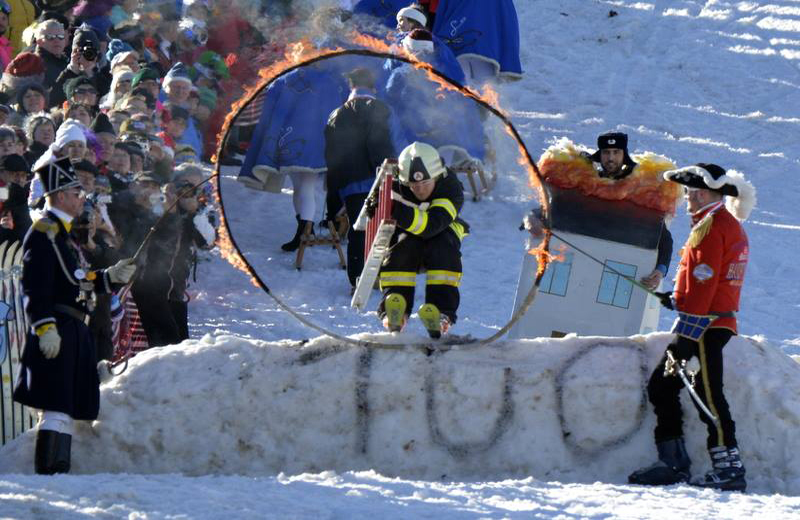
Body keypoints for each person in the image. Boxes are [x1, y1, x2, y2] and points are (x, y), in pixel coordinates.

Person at [628, 162, 756, 492]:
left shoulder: (711, 226)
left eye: (688, 192)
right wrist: (678, 297)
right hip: (708, 319)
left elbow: (704, 280)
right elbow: (706, 280)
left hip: (702, 325)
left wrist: (686, 315)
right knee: (665, 386)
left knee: (707, 396)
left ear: (700, 193)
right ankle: (674, 462)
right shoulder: (721, 223)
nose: (685, 198)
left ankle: (728, 468)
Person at [12, 157, 137, 475]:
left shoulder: (64, 236)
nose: (82, 198)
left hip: (73, 327)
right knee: (56, 406)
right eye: (76, 192)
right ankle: (49, 470)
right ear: (60, 195)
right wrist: (44, 327)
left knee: (65, 406)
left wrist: (110, 276)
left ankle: (58, 468)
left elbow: (77, 279)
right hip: (58, 324)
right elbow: (35, 285)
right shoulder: (45, 233)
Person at [528, 132, 673, 290]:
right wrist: (530, 220)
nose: (611, 158)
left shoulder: (637, 191)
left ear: (624, 155)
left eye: (616, 152)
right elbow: (547, 211)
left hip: (616, 283)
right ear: (600, 155)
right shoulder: (584, 184)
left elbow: (664, 239)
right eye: (606, 152)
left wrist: (660, 271)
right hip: (572, 277)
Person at [378, 141, 468, 337]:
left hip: (445, 229)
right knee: (402, 248)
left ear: (436, 176)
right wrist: (375, 207)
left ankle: (442, 313)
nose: (419, 189)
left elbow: (430, 227)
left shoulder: (450, 187)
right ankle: (395, 308)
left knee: (443, 248)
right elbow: (379, 206)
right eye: (413, 185)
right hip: (407, 232)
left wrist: (396, 209)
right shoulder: (396, 184)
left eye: (425, 183)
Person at [324, 67, 397, 290]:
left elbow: (330, 155)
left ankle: (357, 280)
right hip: (381, 177)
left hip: (350, 182)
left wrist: (333, 195)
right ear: (373, 88)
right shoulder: (384, 110)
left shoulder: (336, 114)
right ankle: (381, 275)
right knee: (385, 227)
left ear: (351, 87)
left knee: (358, 230)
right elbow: (395, 142)